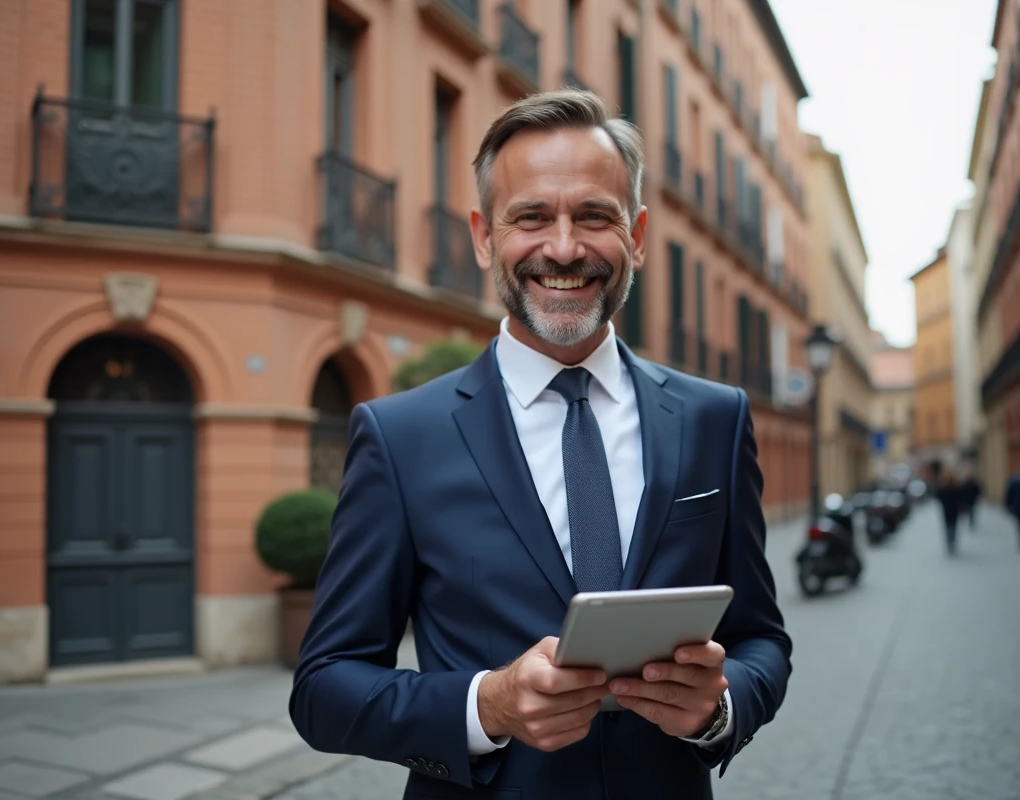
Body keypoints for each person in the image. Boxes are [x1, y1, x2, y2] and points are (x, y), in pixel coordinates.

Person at [289, 90, 792, 799]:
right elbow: (323, 689)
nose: (563, 248)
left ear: (637, 236)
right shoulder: (399, 437)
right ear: (484, 237)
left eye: (594, 216)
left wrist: (721, 707)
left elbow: (762, 640)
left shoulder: (716, 418)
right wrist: (484, 707)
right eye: (531, 217)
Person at [934, 469, 965, 556]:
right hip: (953, 511)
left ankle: (949, 542)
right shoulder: (955, 488)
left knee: (948, 528)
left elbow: (938, 496)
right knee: (953, 527)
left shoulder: (945, 488)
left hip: (948, 511)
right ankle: (951, 542)